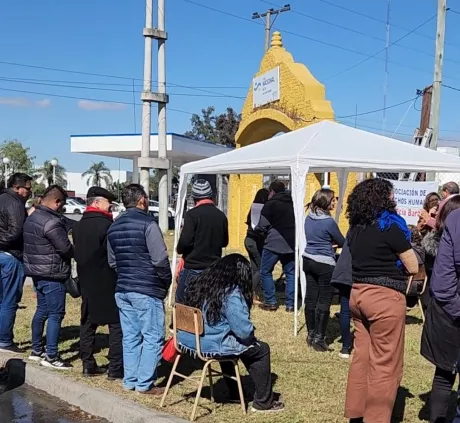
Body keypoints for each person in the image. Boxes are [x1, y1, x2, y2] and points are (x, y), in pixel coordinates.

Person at [344, 178, 418, 423]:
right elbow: (412, 264)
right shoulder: (390, 228)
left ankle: (356, 412)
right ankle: (376, 418)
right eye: (389, 195)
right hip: (385, 298)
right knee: (385, 363)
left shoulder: (355, 228)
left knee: (361, 357)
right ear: (381, 198)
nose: (393, 199)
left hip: (358, 295)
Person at [178, 254, 284, 413]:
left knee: (235, 344)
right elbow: (243, 331)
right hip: (211, 344)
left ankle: (235, 392)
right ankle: (263, 402)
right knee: (261, 349)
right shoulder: (230, 293)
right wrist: (252, 336)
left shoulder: (201, 282)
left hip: (188, 340)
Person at [107, 184, 172, 395]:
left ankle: (130, 379)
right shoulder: (148, 223)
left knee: (131, 336)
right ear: (142, 200)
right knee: (153, 336)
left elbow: (112, 261)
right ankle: (144, 383)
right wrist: (166, 281)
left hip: (123, 288)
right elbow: (160, 259)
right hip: (146, 288)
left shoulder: (113, 226)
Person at [72, 187, 123, 379]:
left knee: (87, 321)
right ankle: (115, 367)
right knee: (116, 323)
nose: (110, 206)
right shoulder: (108, 226)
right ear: (96, 202)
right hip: (107, 279)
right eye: (108, 202)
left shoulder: (78, 226)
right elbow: (112, 254)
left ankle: (87, 363)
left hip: (86, 279)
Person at [24, 185, 74, 369]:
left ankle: (37, 350)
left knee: (41, 311)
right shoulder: (51, 222)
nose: (62, 209)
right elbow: (65, 248)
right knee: (56, 314)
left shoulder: (32, 217)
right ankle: (51, 355)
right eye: (62, 205)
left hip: (36, 271)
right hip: (52, 273)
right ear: (57, 201)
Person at [420, 198, 460, 423]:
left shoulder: (452, 222)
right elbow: (442, 285)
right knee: (444, 375)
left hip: (447, 310)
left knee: (444, 374)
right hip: (448, 312)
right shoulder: (454, 222)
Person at [303, 189, 345, 352]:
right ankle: (319, 339)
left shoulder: (309, 218)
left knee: (311, 297)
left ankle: (311, 334)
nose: (335, 202)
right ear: (325, 202)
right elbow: (342, 241)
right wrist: (332, 243)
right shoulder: (328, 222)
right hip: (324, 262)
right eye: (333, 200)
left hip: (308, 258)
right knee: (324, 299)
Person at [176, 179, 228, 303]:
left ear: (194, 198)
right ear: (211, 196)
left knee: (183, 303)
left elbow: (184, 242)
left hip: (193, 268)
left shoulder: (192, 215)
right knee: (209, 303)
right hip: (214, 269)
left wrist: (180, 250)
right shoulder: (221, 216)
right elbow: (225, 242)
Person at [0, 173, 32, 353]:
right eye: (27, 188)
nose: (29, 192)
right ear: (16, 187)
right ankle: (4, 340)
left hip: (5, 254)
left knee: (2, 299)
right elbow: (16, 232)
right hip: (11, 256)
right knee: (9, 300)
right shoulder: (15, 203)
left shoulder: (3, 199)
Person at [257, 180, 296, 312]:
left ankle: (270, 301)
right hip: (291, 243)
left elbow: (262, 225)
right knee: (291, 273)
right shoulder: (293, 203)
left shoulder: (270, 204)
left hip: (273, 243)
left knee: (265, 271)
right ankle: (291, 305)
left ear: (272, 191)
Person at [244, 189, 269, 304]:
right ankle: (250, 291)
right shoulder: (263, 209)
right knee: (261, 268)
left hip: (248, 240)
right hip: (255, 241)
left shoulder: (253, 208)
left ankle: (254, 295)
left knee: (255, 268)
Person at [330, 239, 353, 360]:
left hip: (344, 274)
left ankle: (345, 346)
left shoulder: (352, 232)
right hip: (359, 275)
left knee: (345, 310)